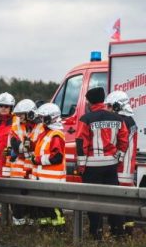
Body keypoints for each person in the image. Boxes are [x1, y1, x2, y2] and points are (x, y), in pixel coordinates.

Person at [75, 86, 129, 238]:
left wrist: (81, 166)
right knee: (113, 200)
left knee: (93, 202)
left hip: (92, 167)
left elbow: (80, 143)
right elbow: (124, 141)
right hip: (110, 165)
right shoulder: (117, 118)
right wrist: (118, 158)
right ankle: (118, 232)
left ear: (90, 102)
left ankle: (96, 233)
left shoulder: (86, 119)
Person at [105, 90, 138, 234]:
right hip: (128, 171)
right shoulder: (131, 121)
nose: (108, 110)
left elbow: (118, 146)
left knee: (115, 205)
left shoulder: (121, 122)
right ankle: (128, 231)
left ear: (118, 106)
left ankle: (117, 232)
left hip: (119, 170)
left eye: (110, 106)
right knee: (127, 206)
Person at [31, 102, 66, 226]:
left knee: (54, 208)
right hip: (43, 179)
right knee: (44, 208)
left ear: (51, 118)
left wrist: (38, 160)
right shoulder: (45, 133)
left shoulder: (56, 135)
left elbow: (57, 157)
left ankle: (59, 229)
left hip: (52, 180)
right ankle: (45, 229)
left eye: (43, 118)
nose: (41, 120)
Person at [7, 98, 40, 225]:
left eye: (21, 114)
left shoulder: (40, 126)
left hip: (33, 169)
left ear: (30, 114)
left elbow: (39, 146)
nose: (19, 117)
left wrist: (28, 148)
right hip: (18, 170)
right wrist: (28, 148)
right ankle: (18, 223)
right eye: (18, 114)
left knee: (33, 198)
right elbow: (16, 146)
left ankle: (31, 223)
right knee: (17, 199)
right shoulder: (16, 127)